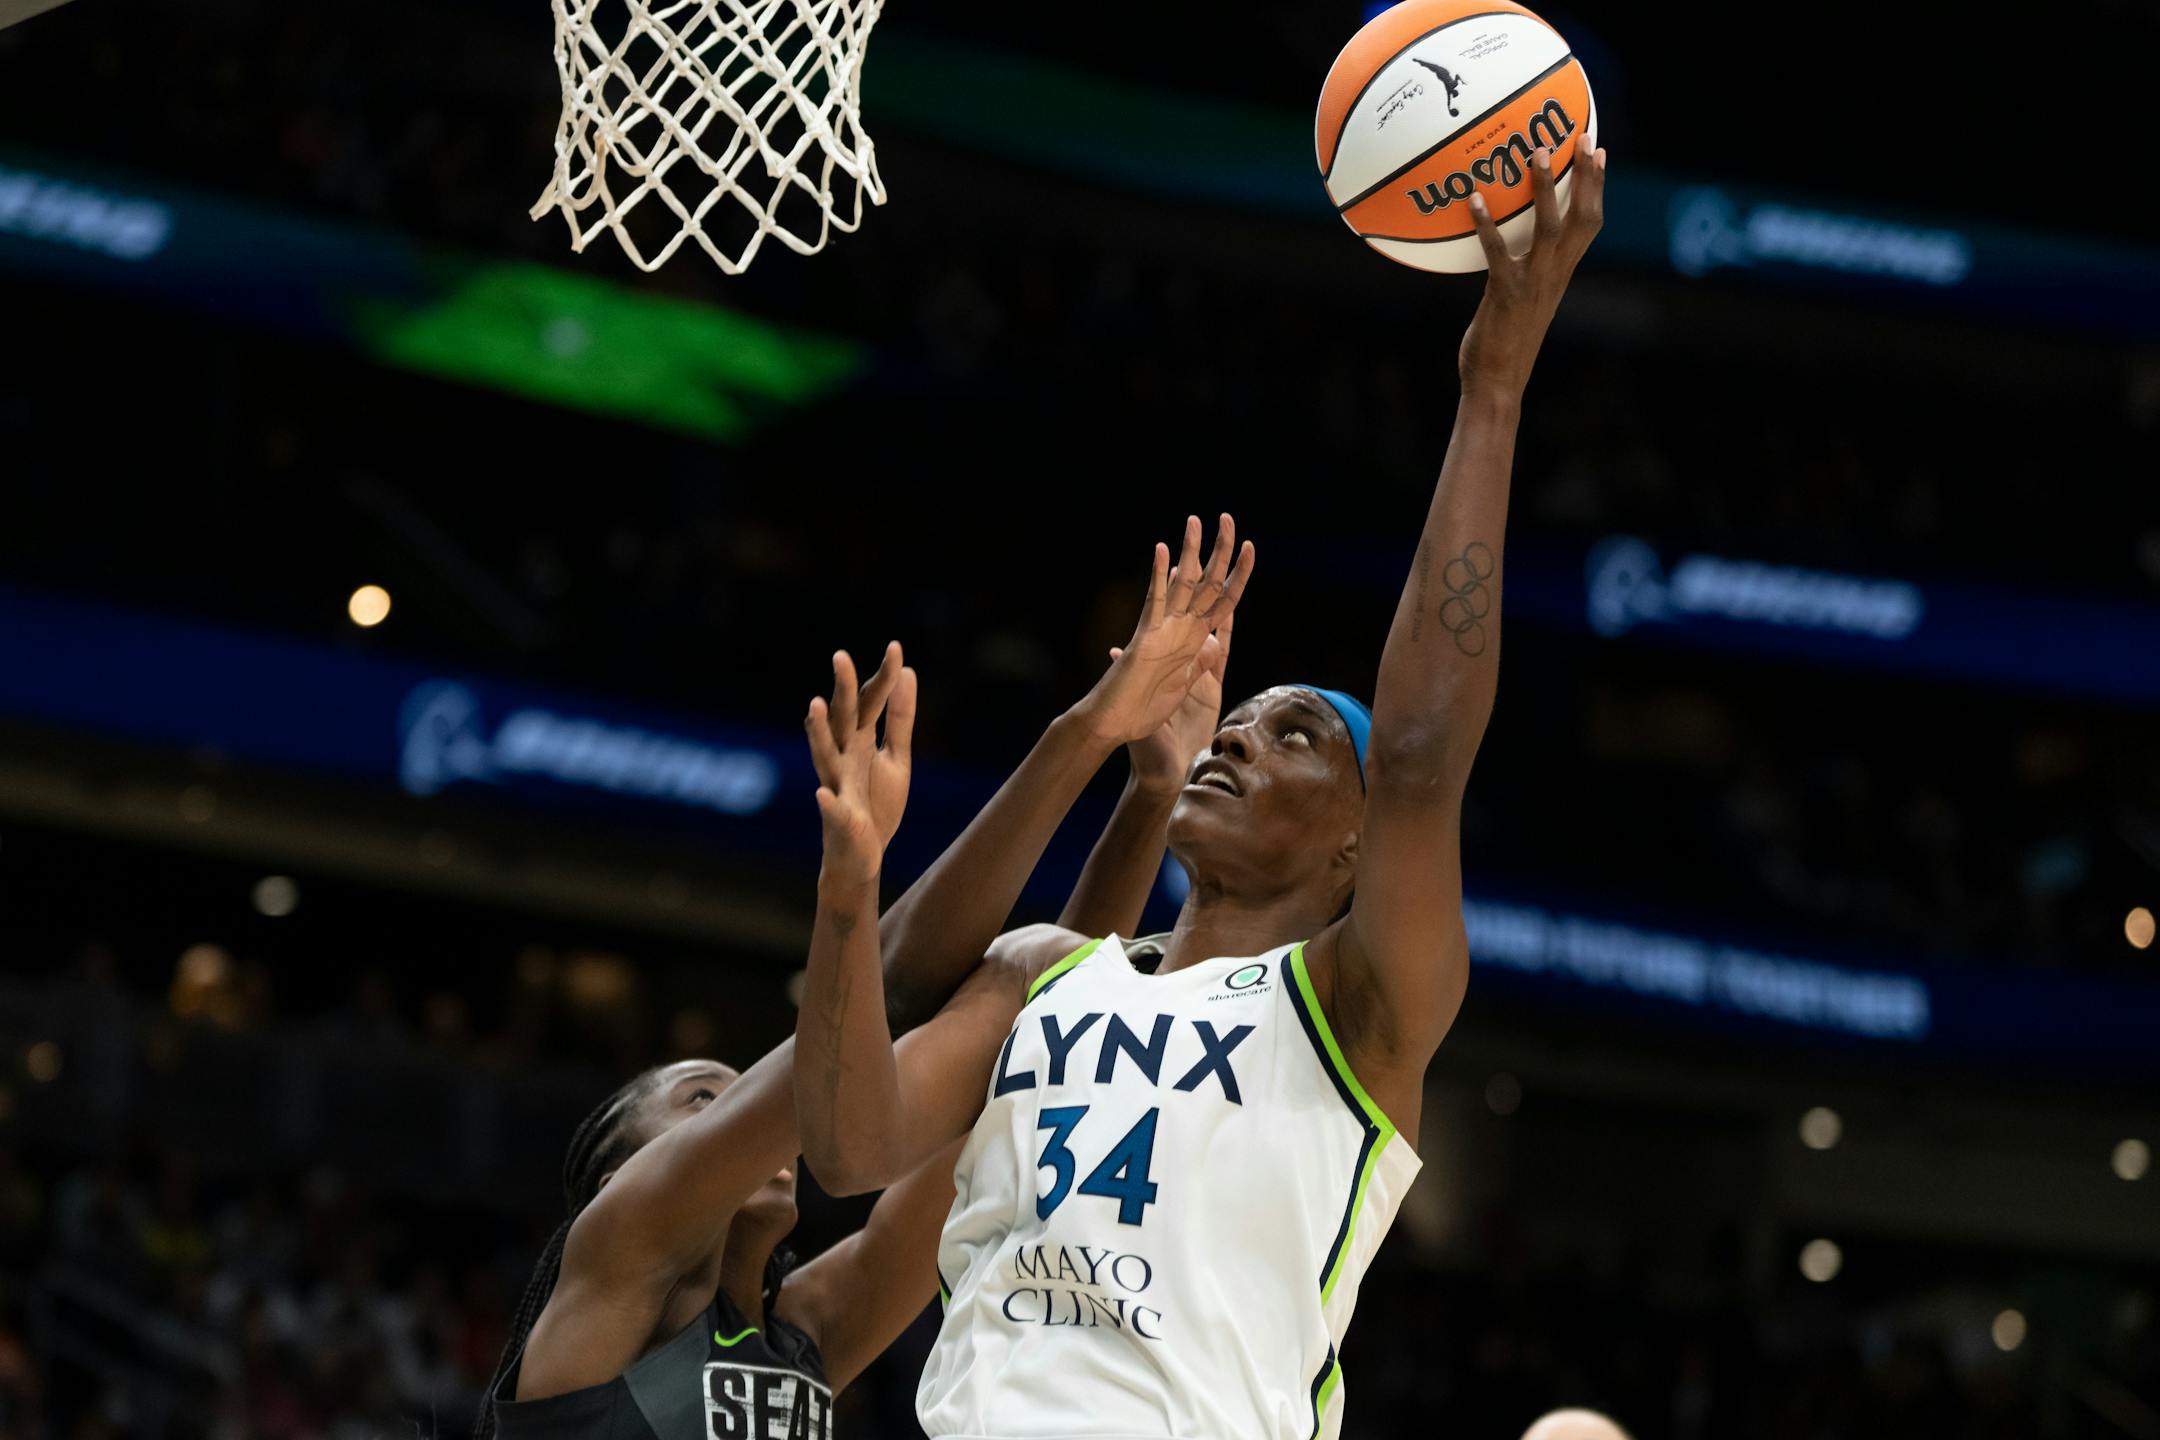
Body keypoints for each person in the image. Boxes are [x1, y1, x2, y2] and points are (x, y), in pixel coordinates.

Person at [792, 143, 1609, 1440]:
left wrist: (1492, 387)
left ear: (1357, 844)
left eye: (1293, 737)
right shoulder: (1046, 971)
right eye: (1233, 722)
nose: (1235, 740)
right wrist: (852, 891)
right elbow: (847, 1147)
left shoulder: (1357, 1005)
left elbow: (1419, 758)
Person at [470, 520, 1253, 1440]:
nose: (740, 1106)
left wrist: (1150, 792)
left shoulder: (814, 1332)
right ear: (619, 1176)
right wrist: (1081, 733)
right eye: (698, 1100)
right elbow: (885, 1000)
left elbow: (1047, 1032)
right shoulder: (617, 1249)